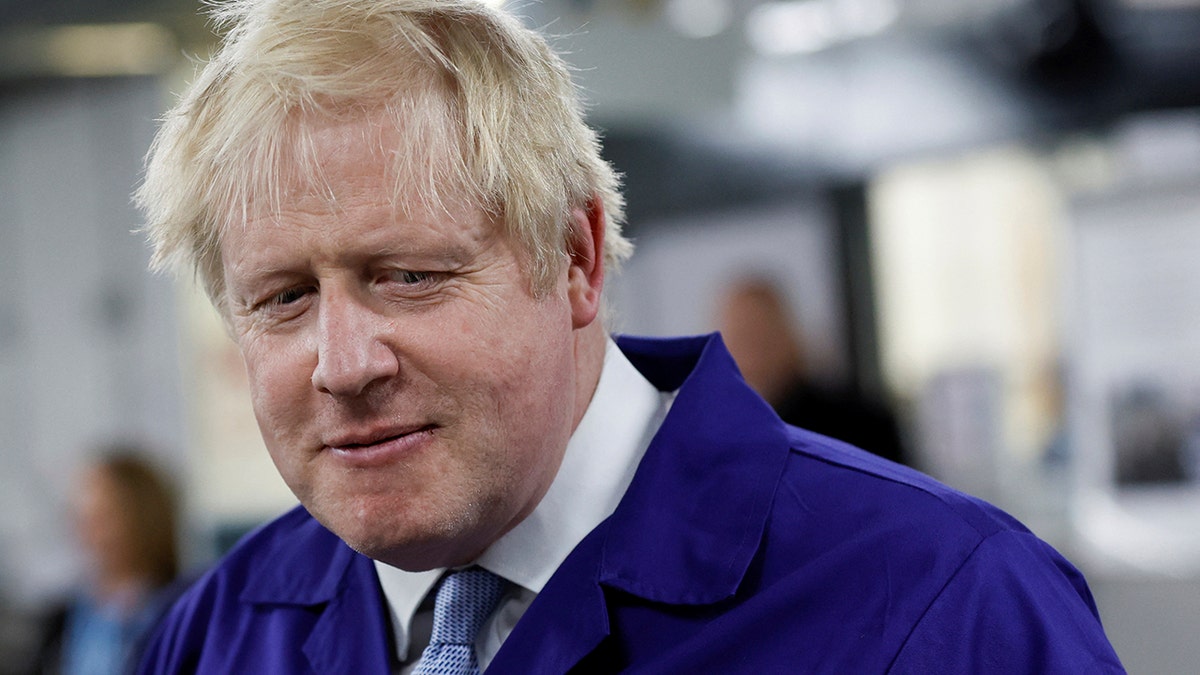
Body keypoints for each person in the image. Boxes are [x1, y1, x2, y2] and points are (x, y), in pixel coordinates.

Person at [134, 0, 1124, 672]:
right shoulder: (219, 635)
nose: (343, 365)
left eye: (407, 276)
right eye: (282, 300)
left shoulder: (938, 608)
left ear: (575, 257)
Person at [716, 275, 910, 465]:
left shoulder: (861, 423)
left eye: (760, 336)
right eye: (740, 337)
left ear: (788, 336)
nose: (751, 352)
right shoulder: (715, 437)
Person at [33, 450, 182, 675]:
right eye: (84, 517)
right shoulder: (62, 621)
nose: (90, 532)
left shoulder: (181, 611)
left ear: (144, 519)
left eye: (105, 516)